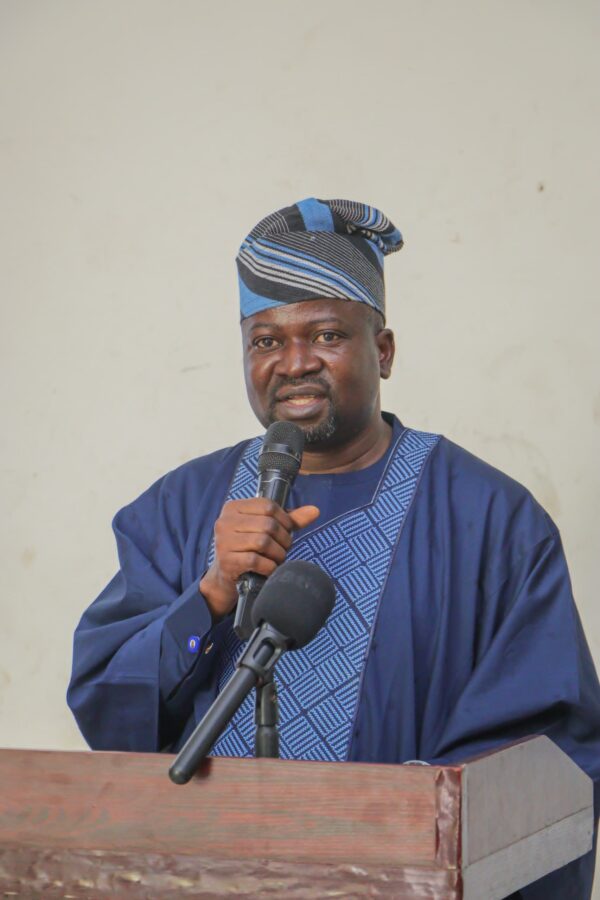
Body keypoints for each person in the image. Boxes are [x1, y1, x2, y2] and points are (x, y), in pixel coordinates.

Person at [68, 198, 600, 897]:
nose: (294, 363)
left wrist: (400, 831)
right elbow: (109, 708)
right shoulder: (177, 508)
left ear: (383, 351)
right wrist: (211, 595)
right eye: (266, 342)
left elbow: (550, 757)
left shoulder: (491, 519)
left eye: (325, 335)